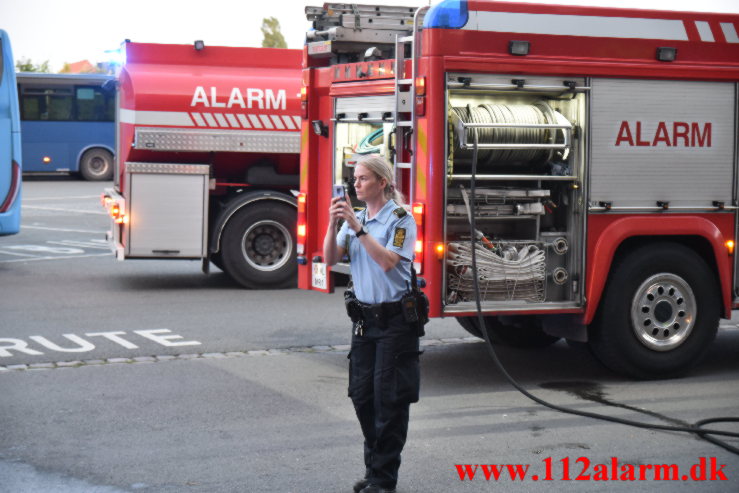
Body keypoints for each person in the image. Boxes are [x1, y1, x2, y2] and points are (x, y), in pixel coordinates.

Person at [323, 155, 421, 493]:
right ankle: (374, 472)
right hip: (364, 322)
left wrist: (358, 229)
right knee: (362, 396)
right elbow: (330, 260)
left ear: (382, 182)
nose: (356, 183)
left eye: (363, 178)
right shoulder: (357, 219)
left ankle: (383, 479)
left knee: (389, 400)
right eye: (354, 178)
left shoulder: (401, 219)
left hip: (395, 322)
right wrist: (333, 224)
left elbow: (388, 262)